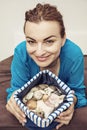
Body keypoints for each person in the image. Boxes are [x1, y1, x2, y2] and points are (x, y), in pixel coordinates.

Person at [6, 3, 87, 130]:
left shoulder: (74, 55)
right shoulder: (21, 53)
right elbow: (15, 90)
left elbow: (78, 93)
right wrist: (13, 99)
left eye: (49, 41)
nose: (39, 52)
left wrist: (73, 101)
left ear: (63, 38)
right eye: (31, 41)